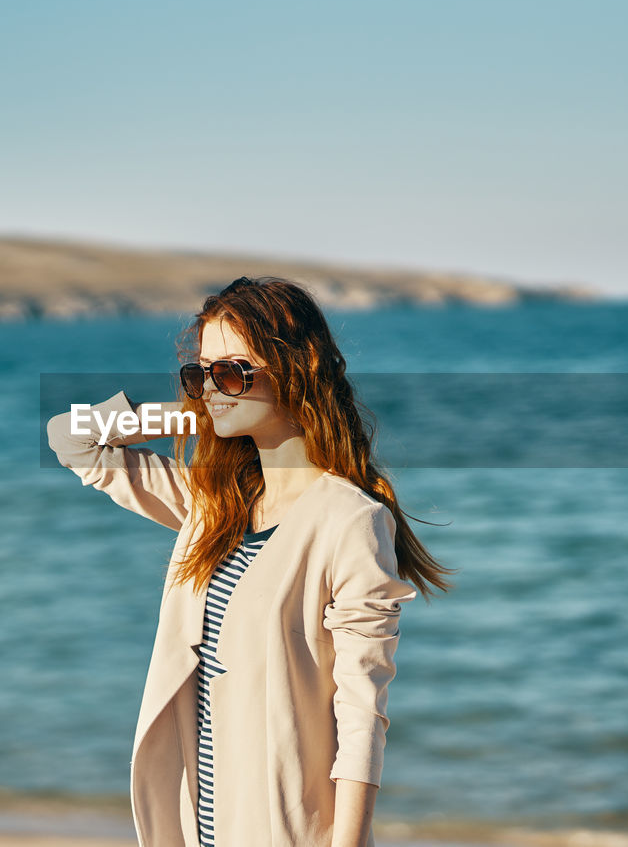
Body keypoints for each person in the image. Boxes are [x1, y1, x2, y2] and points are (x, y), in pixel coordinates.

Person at [46, 276, 453, 847]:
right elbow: (71, 438)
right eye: (200, 372)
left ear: (299, 366)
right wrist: (201, 408)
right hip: (195, 828)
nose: (213, 386)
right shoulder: (212, 501)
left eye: (234, 370)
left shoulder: (350, 519)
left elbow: (361, 712)